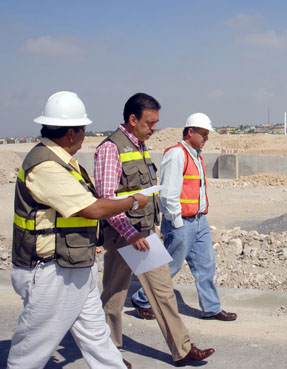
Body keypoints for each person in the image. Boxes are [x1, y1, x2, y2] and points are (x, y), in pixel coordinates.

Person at [7, 91, 145, 369]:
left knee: (95, 335)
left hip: (74, 265)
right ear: (71, 133)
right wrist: (132, 200)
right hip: (51, 271)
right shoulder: (45, 165)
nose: (84, 137)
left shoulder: (61, 161)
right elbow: (91, 208)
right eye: (83, 130)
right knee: (33, 347)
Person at [95, 93, 214, 366]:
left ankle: (182, 349)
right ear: (132, 119)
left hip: (144, 234)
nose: (154, 129)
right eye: (150, 123)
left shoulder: (139, 146)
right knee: (113, 297)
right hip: (123, 236)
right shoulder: (111, 149)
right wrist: (130, 233)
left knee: (162, 292)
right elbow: (107, 199)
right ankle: (108, 353)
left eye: (156, 123)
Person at [131, 113, 237, 321]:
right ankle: (142, 299)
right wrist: (177, 223)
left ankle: (211, 308)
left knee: (206, 266)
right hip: (182, 223)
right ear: (191, 132)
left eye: (207, 134)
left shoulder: (196, 155)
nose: (206, 139)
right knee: (170, 266)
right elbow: (168, 193)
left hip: (199, 221)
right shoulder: (177, 154)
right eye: (204, 134)